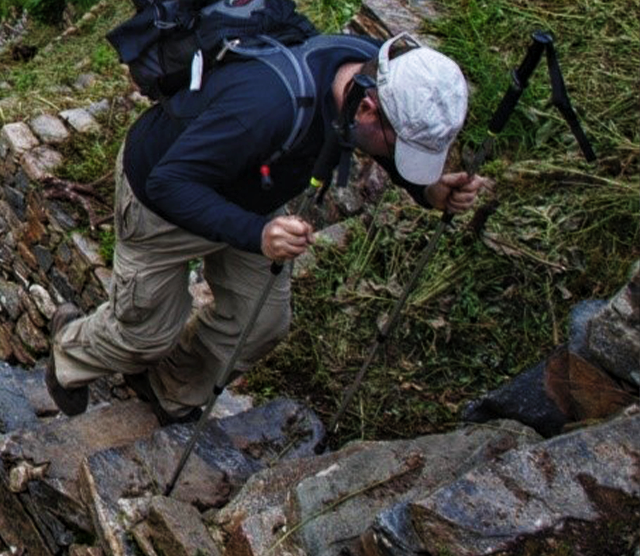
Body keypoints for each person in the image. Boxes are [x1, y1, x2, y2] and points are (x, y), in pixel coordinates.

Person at [47, 33, 493, 423]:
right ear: (370, 108)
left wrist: (428, 191)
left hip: (252, 193)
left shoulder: (365, 72)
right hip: (162, 202)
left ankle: (170, 388)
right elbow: (169, 182)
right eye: (402, 146)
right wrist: (258, 235)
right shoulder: (267, 106)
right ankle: (68, 351)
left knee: (259, 322)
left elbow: (365, 140)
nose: (399, 155)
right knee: (144, 333)